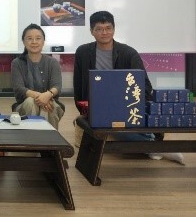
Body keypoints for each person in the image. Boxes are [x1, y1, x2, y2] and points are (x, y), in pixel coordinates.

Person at [73, 10, 184, 164]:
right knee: (109, 125)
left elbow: (145, 86)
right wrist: (83, 109)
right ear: (91, 31)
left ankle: (152, 145)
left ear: (114, 29)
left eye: (108, 28)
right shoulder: (83, 52)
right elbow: (78, 85)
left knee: (120, 125)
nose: (104, 32)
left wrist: (126, 104)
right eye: (99, 29)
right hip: (97, 106)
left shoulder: (128, 53)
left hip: (125, 104)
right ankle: (156, 146)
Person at [11, 24, 65, 129]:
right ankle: (30, 141)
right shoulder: (17, 63)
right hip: (24, 104)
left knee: (50, 106)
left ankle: (49, 143)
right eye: (30, 38)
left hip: (50, 101)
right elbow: (19, 88)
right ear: (23, 41)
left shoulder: (52, 62)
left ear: (43, 41)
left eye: (38, 38)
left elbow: (57, 86)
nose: (34, 42)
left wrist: (48, 96)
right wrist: (41, 97)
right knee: (30, 102)